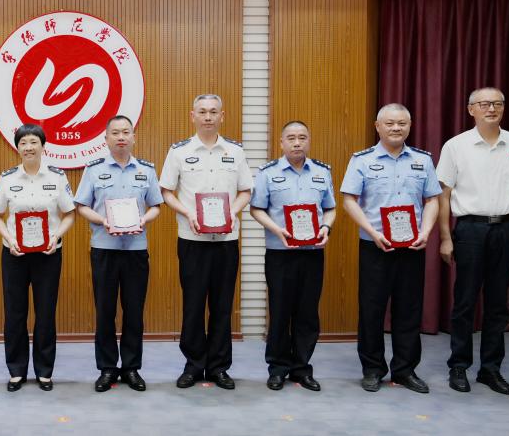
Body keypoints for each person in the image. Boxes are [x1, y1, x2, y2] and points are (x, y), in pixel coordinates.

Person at [437, 87, 509, 395]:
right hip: (470, 230)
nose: (491, 109)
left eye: (497, 104)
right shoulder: (456, 146)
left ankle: (491, 369)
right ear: (471, 109)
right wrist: (445, 237)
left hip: (507, 229)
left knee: (498, 304)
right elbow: (444, 194)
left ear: (503, 108)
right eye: (484, 104)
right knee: (465, 301)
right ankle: (459, 366)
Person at [341, 104, 441, 394]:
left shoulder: (422, 160)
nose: (396, 128)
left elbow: (432, 200)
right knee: (371, 309)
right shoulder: (362, 160)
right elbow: (349, 200)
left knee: (409, 309)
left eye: (402, 123)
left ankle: (405, 369)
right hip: (375, 246)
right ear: (378, 126)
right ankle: (373, 369)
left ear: (409, 126)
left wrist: (425, 232)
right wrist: (372, 232)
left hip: (412, 245)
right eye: (390, 123)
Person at [159, 94, 251, 390]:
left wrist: (231, 212)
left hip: (226, 240)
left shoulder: (235, 151)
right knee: (194, 305)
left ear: (222, 116)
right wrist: (188, 213)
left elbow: (246, 191)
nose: (208, 117)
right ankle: (194, 365)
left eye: (213, 112)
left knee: (223, 306)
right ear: (193, 116)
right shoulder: (179, 152)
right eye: (202, 112)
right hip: (192, 240)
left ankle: (219, 367)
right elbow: (166, 192)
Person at [74, 115, 162, 392]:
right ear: (106, 138)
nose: (121, 137)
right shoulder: (93, 170)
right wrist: (103, 221)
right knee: (105, 311)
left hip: (136, 250)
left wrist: (143, 220)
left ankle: (132, 368)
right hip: (104, 249)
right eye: (115, 133)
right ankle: (107, 368)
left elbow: (156, 206)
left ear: (134, 137)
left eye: (126, 132)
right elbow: (81, 206)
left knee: (134, 311)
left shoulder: (146, 170)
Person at [0, 124, 76, 392]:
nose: (28, 147)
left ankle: (44, 371)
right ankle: (16, 371)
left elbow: (69, 213)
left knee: (46, 313)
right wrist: (9, 238)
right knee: (14, 313)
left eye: (33, 142)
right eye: (23, 142)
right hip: (14, 254)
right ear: (17, 147)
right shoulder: (7, 178)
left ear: (43, 146)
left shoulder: (57, 177)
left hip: (48, 255)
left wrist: (56, 236)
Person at [250, 121, 335, 392]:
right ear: (281, 142)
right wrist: (277, 229)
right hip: (280, 253)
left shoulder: (322, 172)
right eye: (291, 138)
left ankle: (301, 368)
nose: (297, 143)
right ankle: (277, 368)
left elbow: (330, 208)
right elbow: (256, 209)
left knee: (307, 312)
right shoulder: (267, 173)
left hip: (312, 253)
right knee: (280, 312)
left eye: (302, 137)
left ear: (309, 141)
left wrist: (326, 227)